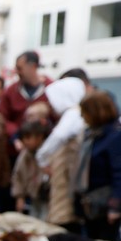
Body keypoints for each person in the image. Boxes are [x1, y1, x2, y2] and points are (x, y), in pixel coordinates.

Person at [74, 91, 121, 241]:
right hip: (89, 203)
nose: (82, 117)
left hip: (104, 204)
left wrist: (115, 207)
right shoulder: (91, 134)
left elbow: (120, 173)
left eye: (84, 112)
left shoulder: (115, 135)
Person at [35, 78, 87, 229]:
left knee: (63, 213)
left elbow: (58, 136)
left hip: (65, 174)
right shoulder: (75, 115)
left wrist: (41, 158)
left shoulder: (73, 115)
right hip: (65, 173)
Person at [0, 51, 52, 141]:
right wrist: (15, 135)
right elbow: (3, 117)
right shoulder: (11, 91)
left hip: (44, 146)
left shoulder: (51, 89)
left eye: (20, 68)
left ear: (33, 66)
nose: (17, 72)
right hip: (15, 146)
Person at [11, 120, 50, 218]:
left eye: (28, 138)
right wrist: (19, 196)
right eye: (24, 138)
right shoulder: (25, 155)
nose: (25, 141)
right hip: (32, 197)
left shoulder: (49, 153)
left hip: (48, 197)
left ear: (40, 137)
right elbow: (17, 176)